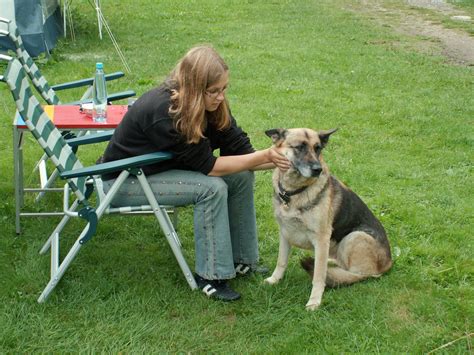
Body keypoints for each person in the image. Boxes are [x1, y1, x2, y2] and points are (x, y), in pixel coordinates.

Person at [101, 45, 289, 301]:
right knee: (211, 188)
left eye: (224, 89)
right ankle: (211, 277)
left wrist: (288, 158)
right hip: (124, 181)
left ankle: (243, 260)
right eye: (214, 91)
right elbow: (209, 167)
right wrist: (265, 156)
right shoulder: (165, 112)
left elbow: (244, 153)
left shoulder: (212, 106)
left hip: (158, 172)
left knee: (241, 176)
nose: (221, 97)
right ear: (194, 88)